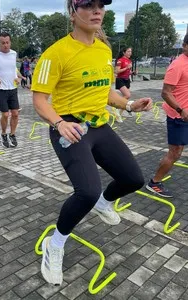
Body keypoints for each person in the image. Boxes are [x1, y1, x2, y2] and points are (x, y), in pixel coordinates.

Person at [31, 0, 152, 286]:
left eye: (101, 5)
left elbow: (105, 91)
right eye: (89, 4)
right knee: (85, 191)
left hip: (99, 126)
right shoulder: (55, 53)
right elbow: (38, 100)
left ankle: (104, 202)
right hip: (69, 128)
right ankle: (55, 244)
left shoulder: (103, 49)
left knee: (133, 179)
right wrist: (59, 123)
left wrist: (130, 105)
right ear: (73, 12)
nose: (97, 10)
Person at [146, 34, 188, 198]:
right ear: (184, 45)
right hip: (178, 115)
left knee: (179, 149)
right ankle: (154, 182)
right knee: (175, 152)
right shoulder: (177, 65)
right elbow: (165, 93)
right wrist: (181, 110)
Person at [114, 47, 135, 122]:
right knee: (127, 95)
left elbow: (127, 72)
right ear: (124, 52)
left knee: (126, 98)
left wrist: (133, 72)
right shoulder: (120, 60)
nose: (130, 53)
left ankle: (119, 114)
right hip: (120, 80)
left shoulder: (129, 60)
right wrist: (126, 67)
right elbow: (117, 71)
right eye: (128, 51)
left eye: (131, 51)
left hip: (127, 80)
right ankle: (116, 109)